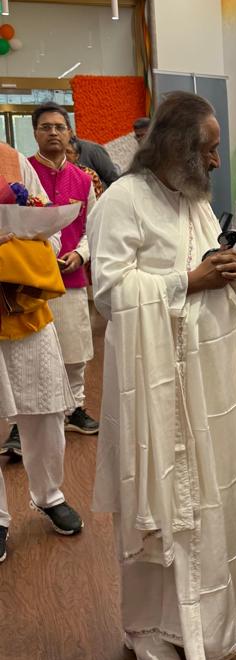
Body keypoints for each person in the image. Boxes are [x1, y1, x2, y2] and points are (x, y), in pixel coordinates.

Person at [87, 91, 236, 660]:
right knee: (163, 502)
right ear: (178, 147)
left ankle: (215, 621)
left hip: (210, 374)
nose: (218, 160)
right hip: (155, 390)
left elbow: (209, 264)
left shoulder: (195, 200)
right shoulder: (123, 201)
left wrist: (225, 271)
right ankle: (150, 628)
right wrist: (188, 280)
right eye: (210, 147)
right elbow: (109, 291)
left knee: (213, 491)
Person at [0, 142, 83, 542]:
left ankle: (49, 495)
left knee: (46, 412)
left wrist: (14, 244)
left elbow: (49, 230)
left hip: (25, 307)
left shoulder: (11, 159)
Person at [21, 103, 98, 437]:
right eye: (45, 127)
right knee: (25, 349)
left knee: (74, 348)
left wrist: (81, 255)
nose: (53, 132)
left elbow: (93, 228)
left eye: (59, 127)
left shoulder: (83, 180)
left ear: (69, 134)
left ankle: (75, 408)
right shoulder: (19, 174)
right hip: (29, 280)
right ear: (35, 132)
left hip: (71, 277)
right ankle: (22, 420)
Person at [66, 132, 103, 200]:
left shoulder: (90, 175)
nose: (64, 155)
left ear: (77, 156)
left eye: (68, 152)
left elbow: (96, 202)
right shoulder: (55, 173)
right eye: (62, 151)